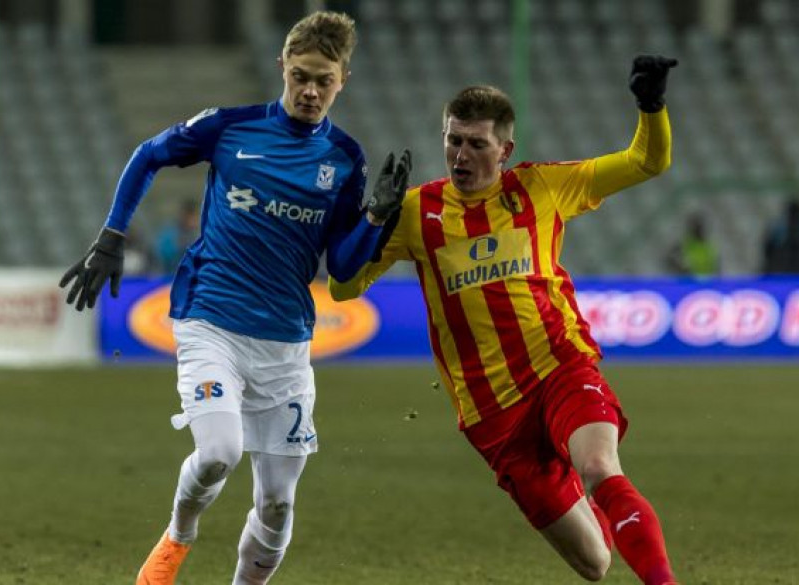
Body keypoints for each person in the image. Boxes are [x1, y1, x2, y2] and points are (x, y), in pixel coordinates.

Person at [59, 11, 410, 585]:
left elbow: (343, 267)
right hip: (211, 319)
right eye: (300, 76)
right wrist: (112, 236)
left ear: (343, 79)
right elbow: (148, 154)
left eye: (323, 80)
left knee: (278, 503)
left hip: (286, 342)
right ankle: (178, 535)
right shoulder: (231, 127)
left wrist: (375, 217)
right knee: (220, 451)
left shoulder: (345, 159)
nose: (310, 91)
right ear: (282, 66)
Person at [330, 56, 680, 584]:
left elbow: (646, 162)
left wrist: (650, 106)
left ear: (505, 150)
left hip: (559, 366)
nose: (460, 154)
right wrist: (374, 218)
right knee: (595, 563)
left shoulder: (542, 187)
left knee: (599, 466)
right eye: (453, 140)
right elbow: (343, 288)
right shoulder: (416, 213)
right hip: (492, 413)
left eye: (476, 144)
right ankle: (593, 502)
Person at [664, 212, 720, 277]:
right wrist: (680, 268)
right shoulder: (685, 244)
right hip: (688, 280)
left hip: (706, 280)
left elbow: (716, 270)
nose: (698, 230)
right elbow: (669, 258)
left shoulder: (710, 247)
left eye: (699, 228)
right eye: (695, 228)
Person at [151, 200, 199, 274]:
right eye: (192, 217)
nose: (195, 221)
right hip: (170, 275)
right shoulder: (170, 233)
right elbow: (164, 255)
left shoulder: (196, 235)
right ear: (184, 216)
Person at [761, 199, 799, 274]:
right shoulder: (779, 228)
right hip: (782, 268)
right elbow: (768, 248)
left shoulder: (778, 227)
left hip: (778, 269)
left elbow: (767, 249)